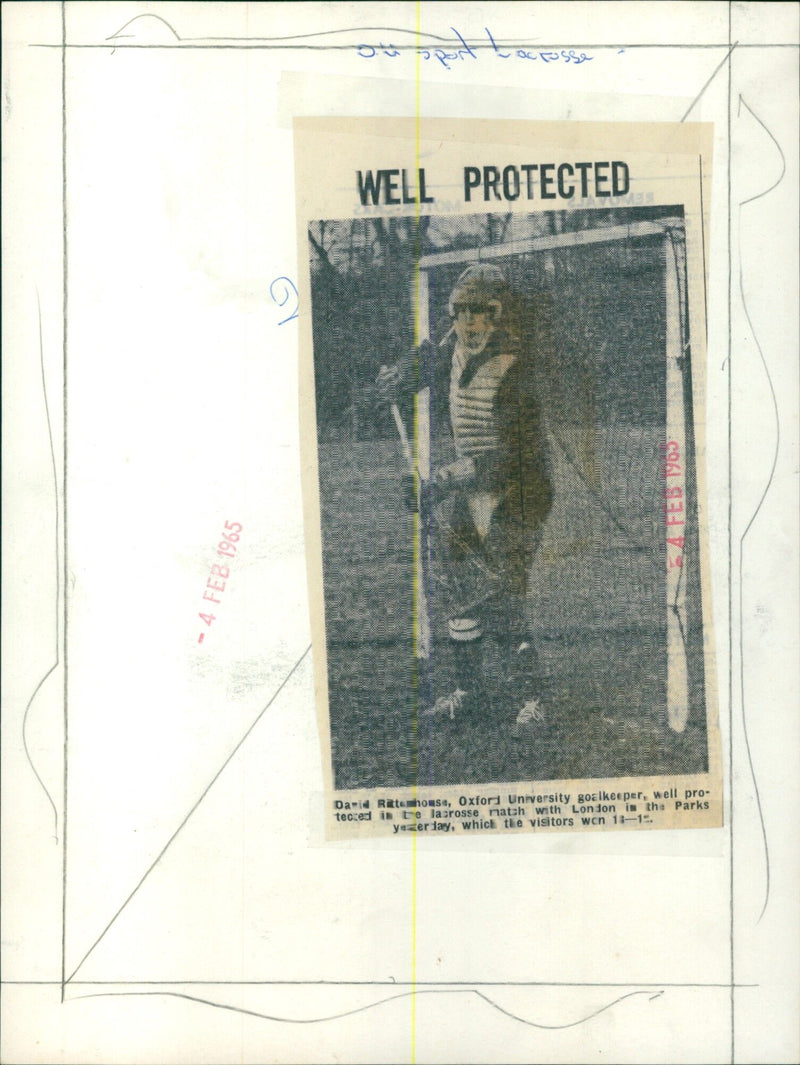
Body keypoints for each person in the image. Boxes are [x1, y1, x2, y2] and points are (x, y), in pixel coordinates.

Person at [377, 264, 552, 736]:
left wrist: (438, 481)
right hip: (466, 490)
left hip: (520, 493)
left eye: (483, 313)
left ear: (501, 317)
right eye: (461, 312)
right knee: (459, 594)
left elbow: (512, 459)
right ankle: (469, 694)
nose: (470, 324)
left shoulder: (519, 370)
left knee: (501, 593)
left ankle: (535, 699)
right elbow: (419, 368)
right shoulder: (450, 350)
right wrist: (396, 377)